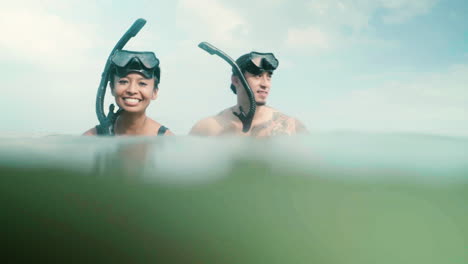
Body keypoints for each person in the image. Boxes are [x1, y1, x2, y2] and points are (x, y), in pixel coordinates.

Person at [189, 51, 307, 137]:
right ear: (236, 80)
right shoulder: (208, 128)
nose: (265, 84)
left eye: (269, 77)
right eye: (257, 76)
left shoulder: (291, 127)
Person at [84, 50, 173, 136]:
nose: (132, 90)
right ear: (112, 88)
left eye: (142, 83)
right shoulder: (90, 138)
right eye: (123, 82)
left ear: (154, 92)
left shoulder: (166, 140)